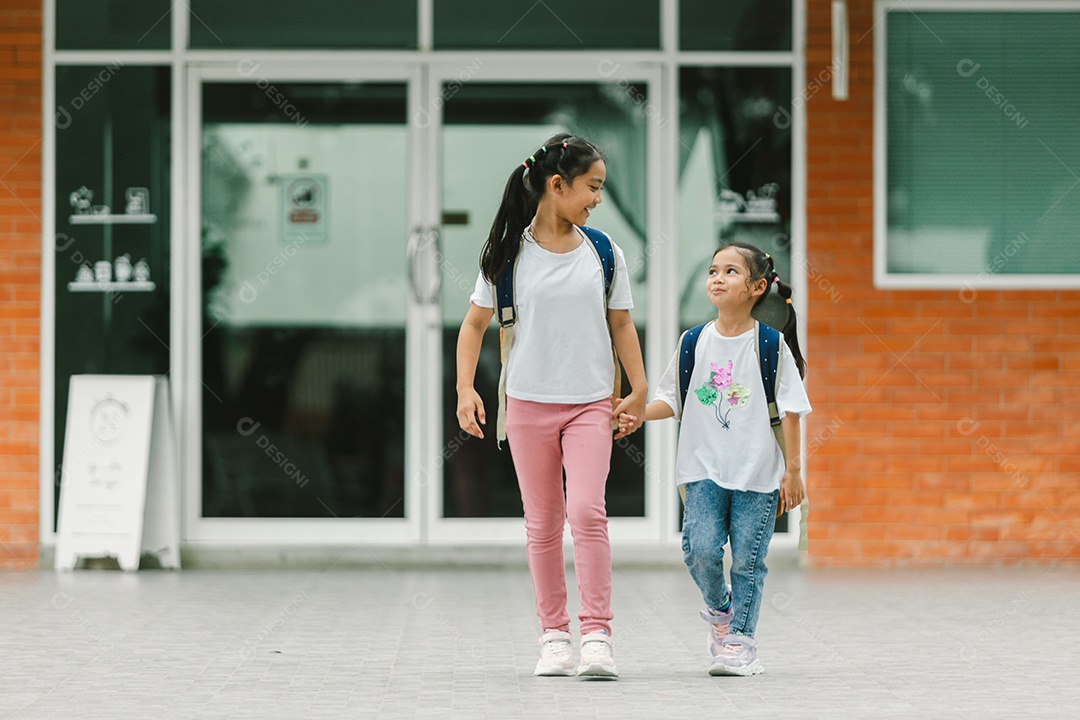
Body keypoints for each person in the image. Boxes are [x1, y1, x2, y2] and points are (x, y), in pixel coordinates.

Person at [456, 134, 647, 679]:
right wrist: (465, 388)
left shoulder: (604, 252)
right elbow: (474, 325)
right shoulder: (509, 255)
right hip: (527, 406)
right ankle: (554, 637)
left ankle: (597, 636)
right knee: (542, 524)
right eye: (592, 187)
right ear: (556, 185)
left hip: (589, 403)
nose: (597, 199)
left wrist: (636, 388)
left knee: (587, 512)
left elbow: (621, 324)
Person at [618, 242, 810, 676]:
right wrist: (635, 414)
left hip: (758, 474)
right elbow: (670, 398)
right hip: (702, 470)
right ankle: (721, 608)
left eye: (730, 272)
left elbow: (793, 410)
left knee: (747, 560)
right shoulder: (693, 342)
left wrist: (794, 471)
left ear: (758, 287)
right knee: (700, 549)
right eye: (712, 271)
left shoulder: (770, 345)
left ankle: (741, 643)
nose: (717, 278)